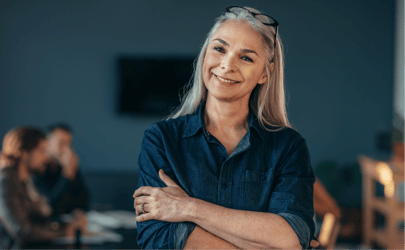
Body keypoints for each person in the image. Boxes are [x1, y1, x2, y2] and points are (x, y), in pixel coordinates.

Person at [133, 6, 319, 250]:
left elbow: (292, 237)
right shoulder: (161, 140)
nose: (227, 64)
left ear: (265, 73)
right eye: (219, 49)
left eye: (246, 57)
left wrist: (189, 208)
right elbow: (158, 239)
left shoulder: (288, 147)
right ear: (205, 54)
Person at [0, 127, 86, 250]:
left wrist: (68, 225)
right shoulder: (6, 181)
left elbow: (39, 217)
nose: (46, 157)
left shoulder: (23, 181)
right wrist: (66, 231)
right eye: (41, 151)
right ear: (24, 153)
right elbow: (22, 231)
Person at [32, 123, 89, 217]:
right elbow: (49, 205)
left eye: (69, 143)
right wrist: (66, 174)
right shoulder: (37, 168)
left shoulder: (68, 166)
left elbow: (84, 201)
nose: (66, 148)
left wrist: (71, 171)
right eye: (61, 143)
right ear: (47, 143)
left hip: (69, 221)